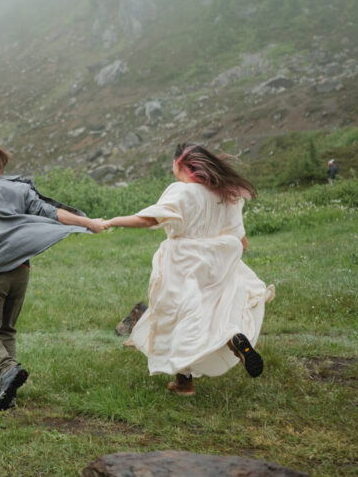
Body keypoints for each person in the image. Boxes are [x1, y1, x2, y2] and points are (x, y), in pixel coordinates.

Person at [100, 143, 274, 396]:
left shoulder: (183, 192)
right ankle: (232, 336)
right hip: (216, 261)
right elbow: (242, 241)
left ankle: (185, 383)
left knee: (178, 319)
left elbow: (149, 219)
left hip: (183, 263)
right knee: (212, 313)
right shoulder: (228, 194)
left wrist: (110, 221)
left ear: (179, 164)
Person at [0, 145, 104, 410]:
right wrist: (88, 223)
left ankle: (8, 370)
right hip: (21, 271)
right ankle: (7, 393)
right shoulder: (21, 190)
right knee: (6, 329)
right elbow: (52, 213)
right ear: (3, 169)